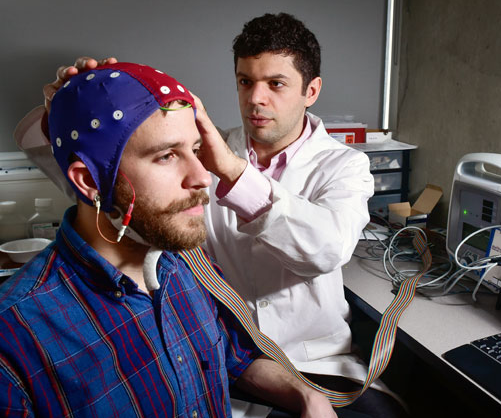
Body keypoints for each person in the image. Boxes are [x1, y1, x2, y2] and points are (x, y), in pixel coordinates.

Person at [25, 13, 409, 418]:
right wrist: (64, 115)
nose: (256, 98)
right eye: (246, 81)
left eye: (276, 84)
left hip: (316, 364)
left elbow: (325, 251)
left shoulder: (342, 165)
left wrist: (232, 171)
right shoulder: (200, 151)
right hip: (219, 356)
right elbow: (101, 187)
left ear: (311, 91)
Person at [1, 62, 337, 418]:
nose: (202, 177)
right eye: (166, 156)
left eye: (195, 150)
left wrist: (305, 396)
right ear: (89, 182)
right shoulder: (15, 338)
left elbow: (230, 358)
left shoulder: (186, 267)